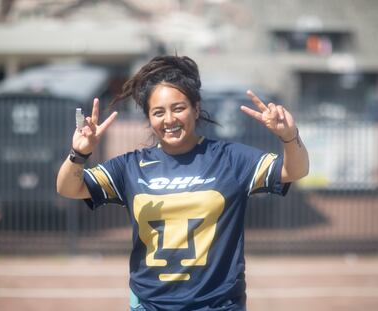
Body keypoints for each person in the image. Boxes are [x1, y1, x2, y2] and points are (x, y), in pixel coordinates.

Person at [56, 55, 309, 311]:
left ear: (196, 108)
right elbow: (69, 188)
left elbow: (294, 171)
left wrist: (289, 137)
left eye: (178, 108)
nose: (169, 120)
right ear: (149, 118)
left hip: (218, 305)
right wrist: (79, 154)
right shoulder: (130, 166)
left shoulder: (231, 158)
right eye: (158, 112)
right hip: (150, 305)